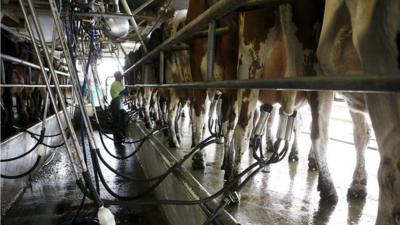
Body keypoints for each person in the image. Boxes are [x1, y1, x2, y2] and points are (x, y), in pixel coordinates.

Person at [109, 71, 128, 144]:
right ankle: (118, 139)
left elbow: (123, 94)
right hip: (116, 103)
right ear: (117, 77)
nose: (122, 77)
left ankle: (117, 139)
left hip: (116, 102)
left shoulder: (115, 84)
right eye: (120, 76)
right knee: (117, 121)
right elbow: (124, 93)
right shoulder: (116, 84)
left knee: (116, 121)